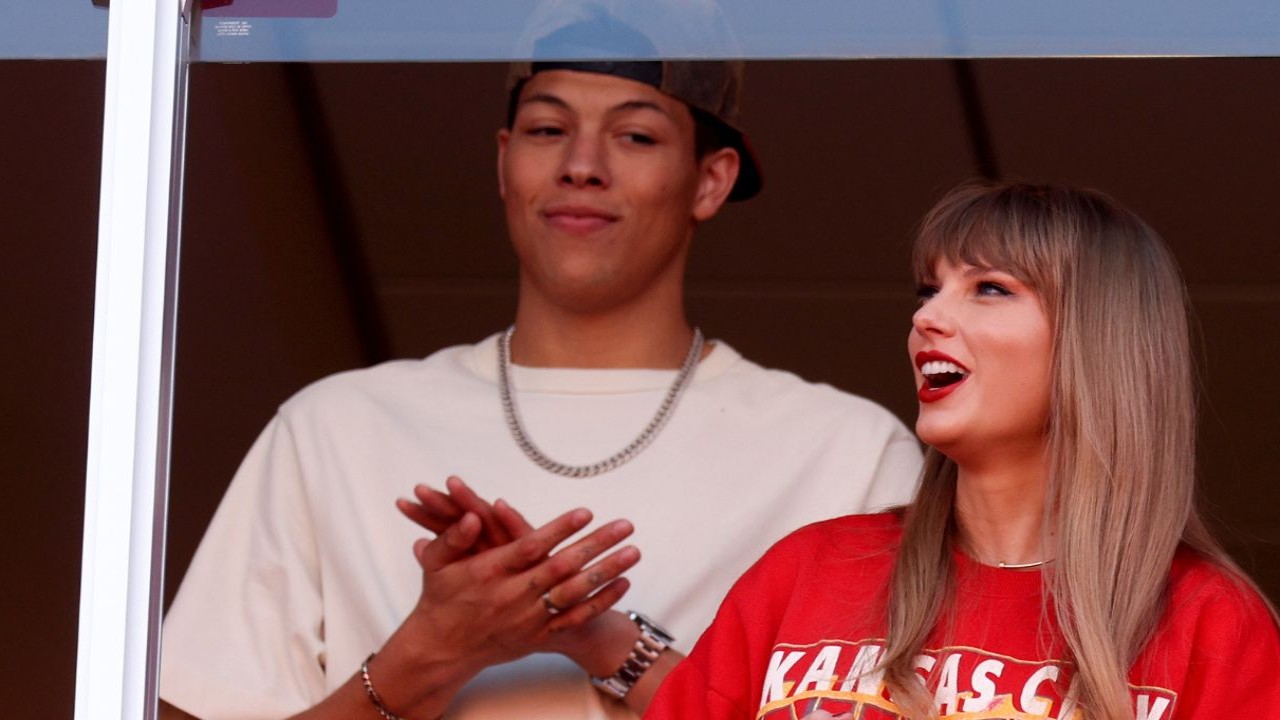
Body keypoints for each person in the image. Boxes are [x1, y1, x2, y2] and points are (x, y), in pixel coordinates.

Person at [157, 52, 922, 720]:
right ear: (503, 162)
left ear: (710, 181)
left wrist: (603, 640)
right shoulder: (333, 428)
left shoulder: (845, 453)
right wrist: (432, 653)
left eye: (636, 135)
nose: (581, 164)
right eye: (548, 129)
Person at [646, 180, 1280, 720]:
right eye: (929, 291)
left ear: (1097, 342)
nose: (927, 318)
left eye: (990, 288)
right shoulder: (809, 570)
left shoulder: (1211, 622)